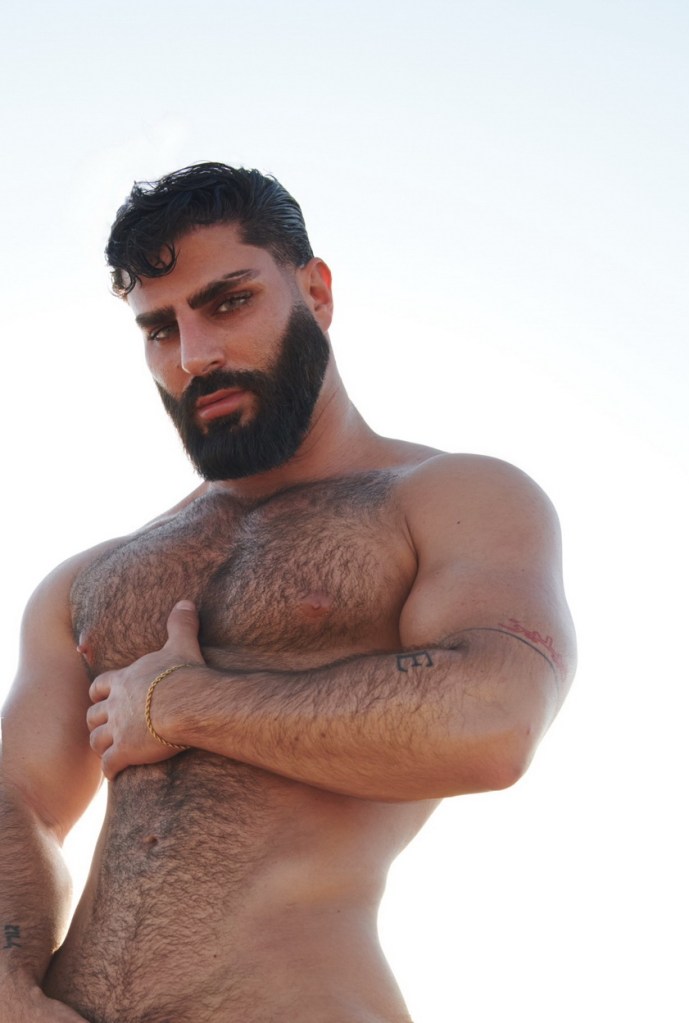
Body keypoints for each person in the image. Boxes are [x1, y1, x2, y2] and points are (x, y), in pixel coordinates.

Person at [0, 162, 576, 1023]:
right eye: (161, 328)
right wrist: (9, 991)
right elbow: (19, 799)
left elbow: (494, 721)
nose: (195, 355)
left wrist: (186, 705)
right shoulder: (91, 579)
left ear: (316, 290)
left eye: (229, 302)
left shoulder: (453, 498)